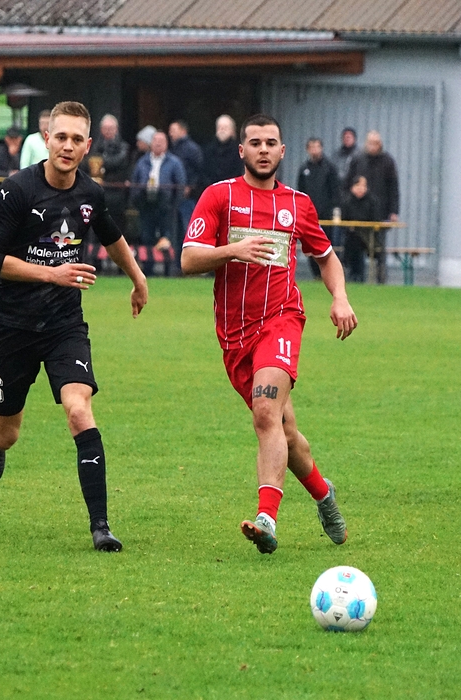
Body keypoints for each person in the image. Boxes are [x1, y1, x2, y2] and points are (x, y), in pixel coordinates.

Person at [180, 113, 357, 555]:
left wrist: (340, 298)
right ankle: (324, 495)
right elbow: (188, 259)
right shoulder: (219, 196)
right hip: (234, 335)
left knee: (264, 413)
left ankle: (266, 520)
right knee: (285, 430)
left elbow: (326, 256)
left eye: (271, 143)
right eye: (255, 143)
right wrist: (233, 250)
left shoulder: (298, 204)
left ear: (282, 151)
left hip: (281, 320)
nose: (263, 150)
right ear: (242, 150)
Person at [0, 101, 149, 552]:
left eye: (76, 139)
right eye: (61, 137)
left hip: (63, 325)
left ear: (87, 146)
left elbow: (111, 236)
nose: (68, 146)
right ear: (46, 139)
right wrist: (52, 273)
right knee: (7, 434)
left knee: (79, 410)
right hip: (13, 326)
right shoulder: (17, 190)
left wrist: (138, 279)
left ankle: (101, 527)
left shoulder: (90, 193)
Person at [344, 130, 399, 283]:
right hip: (358, 212)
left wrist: (394, 211)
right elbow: (348, 184)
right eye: (370, 143)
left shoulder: (388, 161)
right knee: (354, 245)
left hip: (380, 213)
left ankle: (381, 279)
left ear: (380, 144)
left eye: (376, 143)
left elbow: (393, 188)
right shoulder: (357, 159)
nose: (373, 146)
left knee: (379, 248)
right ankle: (356, 277)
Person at [130, 131, 186, 277]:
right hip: (146, 205)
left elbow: (180, 185)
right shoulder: (142, 162)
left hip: (166, 207)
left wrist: (174, 205)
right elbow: (135, 182)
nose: (158, 143)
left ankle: (169, 270)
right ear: (151, 143)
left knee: (167, 238)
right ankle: (148, 270)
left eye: (161, 141)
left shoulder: (175, 162)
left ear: (166, 144)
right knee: (146, 237)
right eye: (155, 141)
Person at [90, 114, 131, 268]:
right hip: (99, 194)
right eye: (105, 128)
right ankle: (96, 263)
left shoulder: (123, 146)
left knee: (118, 229)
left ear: (116, 129)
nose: (108, 131)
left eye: (111, 128)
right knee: (96, 229)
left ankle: (122, 266)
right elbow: (89, 161)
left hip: (117, 196)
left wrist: (102, 163)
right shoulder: (95, 145)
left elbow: (119, 161)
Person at [297, 137, 339, 278]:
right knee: (310, 245)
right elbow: (300, 192)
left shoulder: (330, 168)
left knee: (326, 245)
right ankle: (316, 274)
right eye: (311, 147)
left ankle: (328, 273)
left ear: (321, 148)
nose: (314, 150)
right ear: (307, 149)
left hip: (325, 215)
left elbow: (335, 191)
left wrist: (334, 210)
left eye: (317, 147)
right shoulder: (304, 169)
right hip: (308, 215)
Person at [168, 119, 204, 264]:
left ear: (183, 131)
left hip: (188, 196)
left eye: (173, 130)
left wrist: (190, 186)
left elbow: (199, 170)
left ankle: (190, 261)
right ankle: (178, 262)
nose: (170, 133)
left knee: (187, 229)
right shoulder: (173, 148)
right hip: (175, 195)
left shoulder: (191, 149)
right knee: (176, 230)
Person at [340, 175, 381, 283]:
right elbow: (344, 220)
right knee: (352, 241)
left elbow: (376, 219)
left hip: (369, 236)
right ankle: (352, 273)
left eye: (363, 186)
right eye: (358, 185)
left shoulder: (372, 201)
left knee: (358, 243)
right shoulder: (347, 201)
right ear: (352, 187)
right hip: (351, 235)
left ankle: (358, 275)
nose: (361, 188)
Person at [202, 115, 243, 185]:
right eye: (219, 127)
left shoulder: (239, 150)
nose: (222, 130)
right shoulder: (208, 150)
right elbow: (204, 173)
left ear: (232, 130)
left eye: (225, 127)